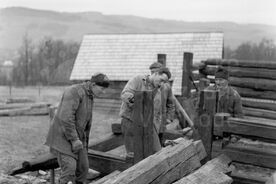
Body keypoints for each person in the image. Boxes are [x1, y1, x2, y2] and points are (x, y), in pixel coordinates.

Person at [45, 73, 110, 184]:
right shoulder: (74, 91)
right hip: (62, 136)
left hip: (78, 138)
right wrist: (74, 139)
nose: (103, 92)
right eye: (102, 88)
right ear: (93, 84)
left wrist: (82, 141)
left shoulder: (89, 95)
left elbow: (84, 121)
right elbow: (66, 118)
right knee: (69, 170)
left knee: (83, 169)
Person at [119, 67, 171, 156]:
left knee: (157, 152)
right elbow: (125, 94)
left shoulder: (158, 91)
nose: (161, 84)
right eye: (161, 80)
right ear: (156, 73)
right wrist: (138, 101)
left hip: (148, 124)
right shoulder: (138, 79)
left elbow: (157, 112)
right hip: (130, 121)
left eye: (164, 82)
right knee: (133, 155)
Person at [149, 62, 175, 143]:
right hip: (149, 120)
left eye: (155, 72)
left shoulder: (166, 87)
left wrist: (169, 118)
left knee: (159, 141)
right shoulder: (147, 85)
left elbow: (170, 104)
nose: (153, 75)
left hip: (161, 120)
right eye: (151, 72)